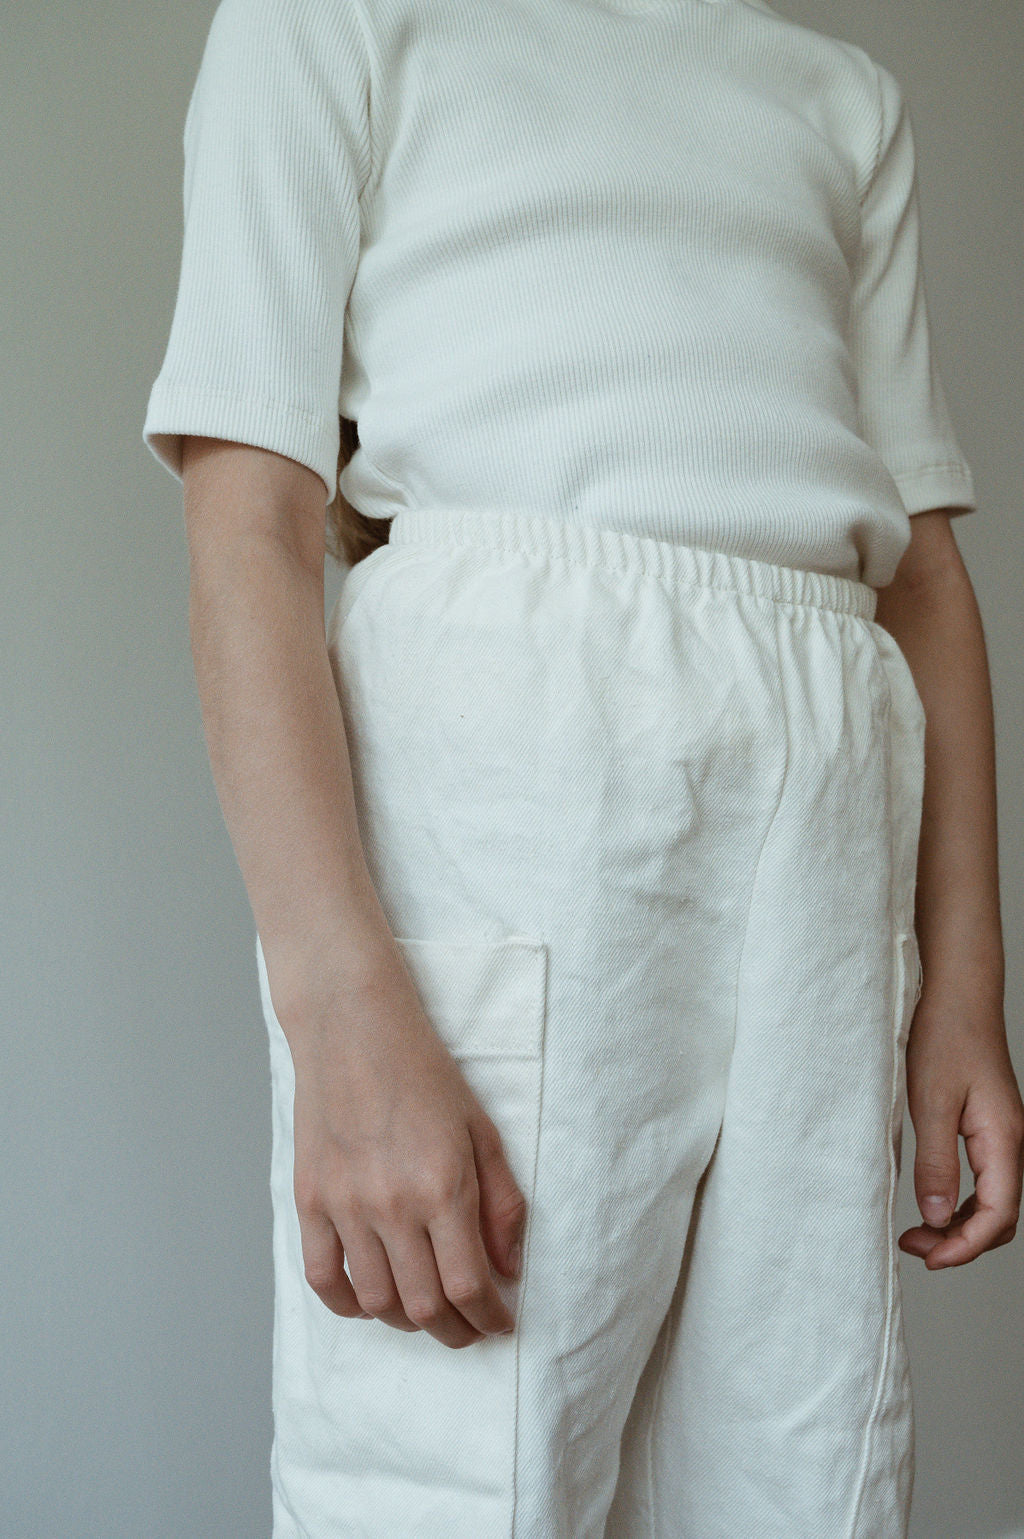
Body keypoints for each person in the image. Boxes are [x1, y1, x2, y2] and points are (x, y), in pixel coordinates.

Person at [141, 0, 1024, 1532]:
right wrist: (342, 1019)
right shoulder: (327, 21)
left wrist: (963, 990)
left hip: (825, 794)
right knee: (464, 1466)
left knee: (801, 1470)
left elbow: (926, 577)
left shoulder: (838, 98)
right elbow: (253, 527)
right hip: (512, 766)